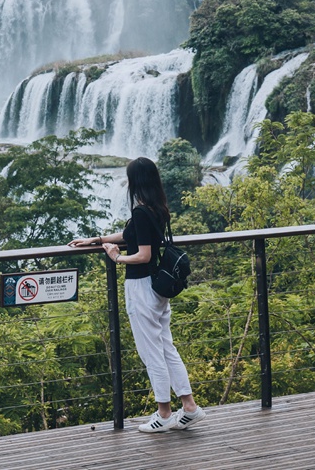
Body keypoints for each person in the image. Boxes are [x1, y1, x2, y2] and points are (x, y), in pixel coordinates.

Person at [69, 156, 206, 433]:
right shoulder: (157, 208)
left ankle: (164, 414)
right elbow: (132, 235)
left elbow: (143, 254)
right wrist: (98, 240)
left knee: (151, 353)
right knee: (166, 348)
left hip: (141, 288)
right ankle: (190, 408)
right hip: (156, 288)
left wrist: (116, 257)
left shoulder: (142, 211)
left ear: (135, 182)